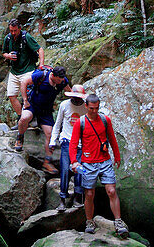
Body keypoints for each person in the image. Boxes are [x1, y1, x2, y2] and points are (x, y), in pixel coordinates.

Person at [70, 92, 128, 237]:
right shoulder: (80, 122)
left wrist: (117, 156)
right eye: (91, 109)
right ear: (86, 106)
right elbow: (73, 143)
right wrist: (74, 161)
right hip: (88, 163)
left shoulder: (105, 120)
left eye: (97, 108)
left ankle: (118, 221)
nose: (94, 111)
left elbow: (112, 138)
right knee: (89, 193)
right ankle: (89, 221)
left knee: (112, 191)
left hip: (105, 161)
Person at [16, 64, 71, 173]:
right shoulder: (41, 76)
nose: (60, 81)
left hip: (46, 110)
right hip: (32, 104)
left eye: (62, 79)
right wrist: (25, 100)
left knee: (50, 134)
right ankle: (20, 137)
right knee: (24, 118)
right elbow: (24, 82)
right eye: (58, 79)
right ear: (53, 75)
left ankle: (47, 162)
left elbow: (69, 92)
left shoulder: (63, 81)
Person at [51, 83, 86, 210]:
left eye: (78, 97)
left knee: (80, 171)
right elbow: (58, 123)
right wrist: (52, 141)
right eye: (74, 97)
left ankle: (78, 197)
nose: (76, 99)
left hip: (81, 144)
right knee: (65, 170)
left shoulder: (86, 108)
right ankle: (62, 200)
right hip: (66, 141)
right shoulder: (64, 105)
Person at [1, 17, 43, 123]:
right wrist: (9, 56)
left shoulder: (26, 37)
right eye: (11, 31)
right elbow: (3, 53)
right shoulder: (8, 38)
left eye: (15, 30)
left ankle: (32, 117)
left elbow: (40, 49)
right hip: (14, 71)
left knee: (29, 95)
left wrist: (41, 64)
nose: (13, 33)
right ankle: (21, 118)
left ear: (19, 28)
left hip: (28, 69)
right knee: (11, 95)